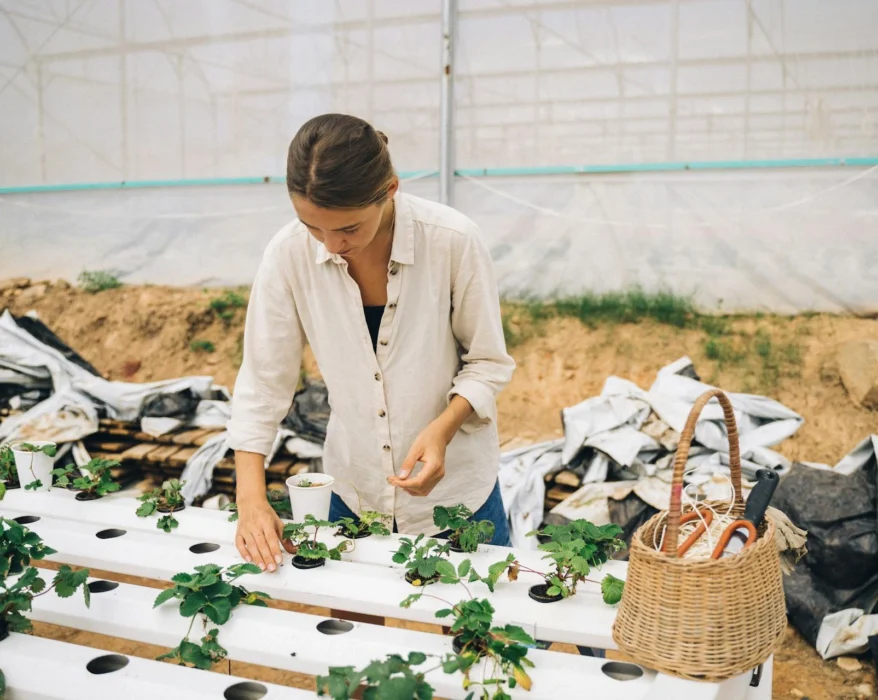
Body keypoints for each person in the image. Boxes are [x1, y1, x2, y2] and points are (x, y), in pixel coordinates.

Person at [227, 113, 515, 572]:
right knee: (349, 634)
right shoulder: (287, 255)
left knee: (478, 634)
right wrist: (251, 499)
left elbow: (487, 362)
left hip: (459, 492)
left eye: (348, 229)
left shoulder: (452, 241)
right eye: (312, 226)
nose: (330, 244)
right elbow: (264, 383)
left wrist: (442, 428)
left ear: (391, 190)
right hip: (353, 488)